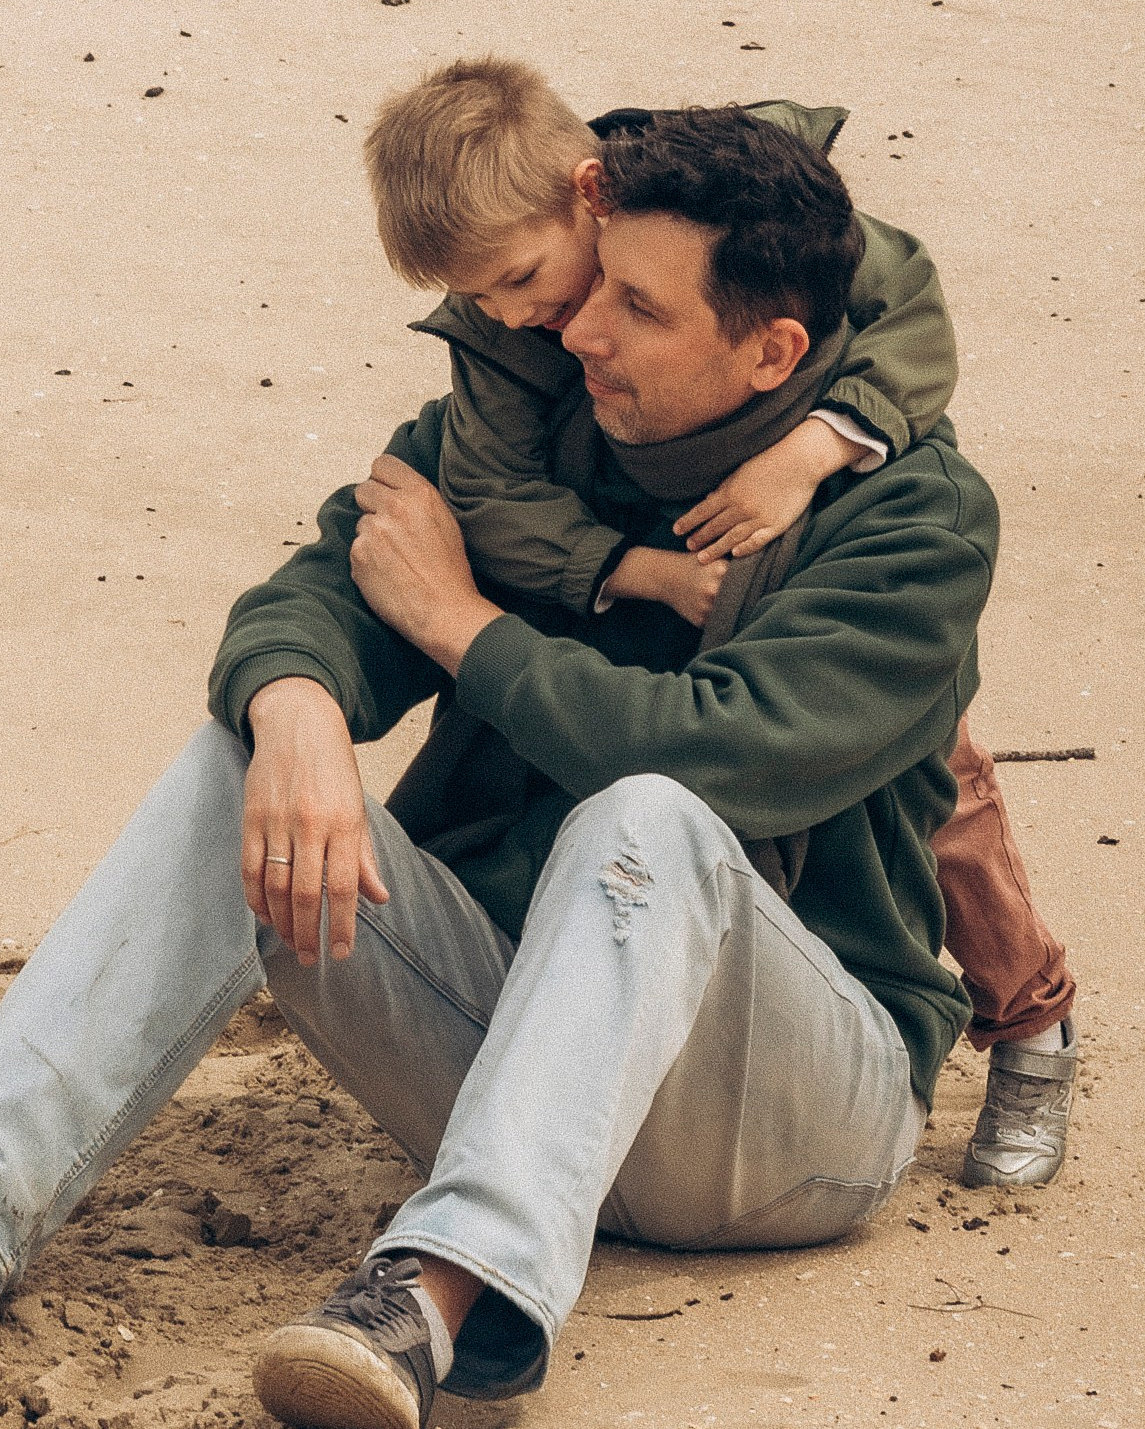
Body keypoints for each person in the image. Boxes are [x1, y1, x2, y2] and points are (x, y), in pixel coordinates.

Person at [0, 107, 1004, 1427]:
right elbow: (319, 591)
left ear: (769, 354)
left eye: (638, 312)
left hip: (786, 1129)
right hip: (506, 1063)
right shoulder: (519, 431)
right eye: (594, 287)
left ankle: (441, 1296)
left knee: (645, 809)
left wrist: (458, 624)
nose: (580, 328)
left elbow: (713, 759)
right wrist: (292, 708)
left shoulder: (915, 519)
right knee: (258, 738)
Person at [364, 57, 1075, 1189]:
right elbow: (485, 491)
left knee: (929, 785)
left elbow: (909, 311)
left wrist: (815, 449)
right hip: (669, 517)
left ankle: (1029, 1020)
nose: (520, 316)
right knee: (683, 781)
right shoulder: (507, 327)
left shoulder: (736, 211)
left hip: (808, 492)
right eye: (481, 299)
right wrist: (627, 567)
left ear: (592, 193)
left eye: (521, 279)